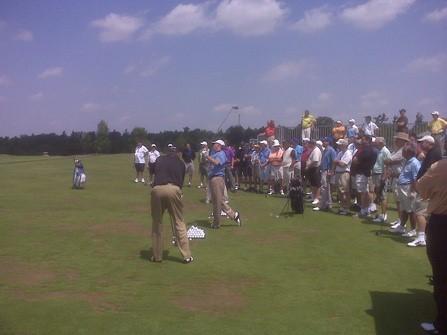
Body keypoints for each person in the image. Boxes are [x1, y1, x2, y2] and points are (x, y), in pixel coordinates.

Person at [417, 158, 447, 335]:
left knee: (442, 276)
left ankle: (442, 324)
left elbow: (422, 190)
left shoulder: (441, 166)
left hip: (442, 224)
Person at [150, 146, 193, 263]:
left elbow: (152, 169)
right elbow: (180, 184)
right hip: (174, 189)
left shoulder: (159, 159)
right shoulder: (181, 164)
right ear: (177, 153)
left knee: (157, 222)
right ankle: (186, 256)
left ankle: (157, 256)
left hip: (157, 189)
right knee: (179, 221)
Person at [408, 135, 442, 247]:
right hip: (428, 187)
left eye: (422, 142)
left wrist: (419, 183)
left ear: (428, 142)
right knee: (421, 211)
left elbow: (428, 172)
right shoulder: (432, 153)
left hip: (426, 188)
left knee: (420, 212)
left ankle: (421, 237)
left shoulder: (432, 154)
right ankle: (424, 235)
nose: (420, 144)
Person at [206, 140, 241, 228]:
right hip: (212, 178)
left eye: (215, 144)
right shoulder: (214, 153)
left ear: (219, 145)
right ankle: (234, 215)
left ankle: (216, 223)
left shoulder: (221, 154)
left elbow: (217, 163)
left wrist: (207, 156)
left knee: (217, 202)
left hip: (217, 178)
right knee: (217, 200)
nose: (213, 145)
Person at [389, 143, 421, 236]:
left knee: (410, 210)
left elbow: (416, 178)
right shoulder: (407, 161)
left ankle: (413, 229)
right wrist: (397, 175)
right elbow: (407, 175)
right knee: (404, 209)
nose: (402, 151)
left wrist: (413, 191)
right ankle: (401, 227)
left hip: (408, 187)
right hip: (402, 186)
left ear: (410, 152)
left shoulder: (414, 162)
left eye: (404, 149)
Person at [384, 132, 410, 228]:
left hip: (399, 177)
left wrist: (388, 161)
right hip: (395, 177)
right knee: (398, 201)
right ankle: (400, 219)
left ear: (403, 141)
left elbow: (388, 160)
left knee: (400, 201)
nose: (395, 141)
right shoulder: (397, 150)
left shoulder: (402, 150)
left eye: (397, 139)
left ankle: (402, 222)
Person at [351, 135, 378, 218]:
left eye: (363, 139)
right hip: (365, 172)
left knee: (363, 192)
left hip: (362, 172)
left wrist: (355, 159)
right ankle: (368, 209)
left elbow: (356, 161)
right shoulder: (369, 149)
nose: (361, 141)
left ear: (367, 141)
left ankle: (364, 210)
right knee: (366, 192)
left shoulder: (366, 150)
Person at [371, 137, 391, 223]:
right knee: (378, 193)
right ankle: (381, 213)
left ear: (381, 142)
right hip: (377, 174)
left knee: (383, 195)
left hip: (381, 175)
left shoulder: (385, 151)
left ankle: (384, 215)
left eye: (376, 142)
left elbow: (387, 165)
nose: (374, 143)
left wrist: (384, 176)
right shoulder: (379, 150)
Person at [314, 137, 336, 211]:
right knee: (326, 188)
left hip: (327, 170)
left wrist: (331, 171)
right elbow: (323, 161)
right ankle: (328, 204)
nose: (323, 142)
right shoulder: (325, 150)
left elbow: (333, 161)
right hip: (323, 169)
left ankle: (322, 204)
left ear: (329, 142)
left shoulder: (331, 150)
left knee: (324, 188)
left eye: (325, 141)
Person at [332, 139, 352, 215]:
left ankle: (348, 208)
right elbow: (335, 162)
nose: (338, 146)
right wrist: (337, 162)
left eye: (340, 145)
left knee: (345, 191)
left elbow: (342, 164)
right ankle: (342, 206)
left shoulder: (348, 153)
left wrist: (337, 162)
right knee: (339, 191)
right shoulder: (340, 153)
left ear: (344, 145)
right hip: (338, 173)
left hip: (344, 173)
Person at [305, 140, 322, 205]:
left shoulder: (316, 151)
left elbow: (315, 161)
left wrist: (308, 167)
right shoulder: (314, 150)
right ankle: (313, 197)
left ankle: (317, 198)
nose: (308, 145)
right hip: (312, 169)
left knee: (316, 185)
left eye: (309, 144)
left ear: (312, 144)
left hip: (315, 169)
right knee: (313, 184)